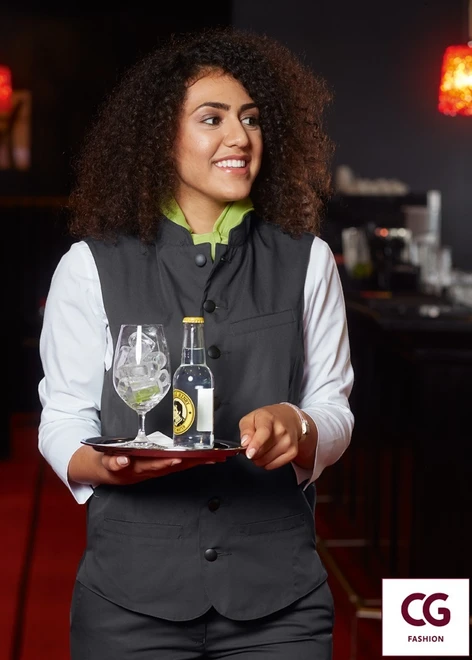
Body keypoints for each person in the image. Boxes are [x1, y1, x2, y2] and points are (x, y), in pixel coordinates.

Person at [38, 25, 354, 660]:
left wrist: (299, 426)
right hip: (129, 601)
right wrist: (102, 464)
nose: (240, 137)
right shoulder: (88, 266)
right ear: (161, 137)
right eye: (213, 119)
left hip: (281, 603)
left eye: (251, 119)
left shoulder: (310, 260)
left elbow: (335, 409)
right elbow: (64, 418)